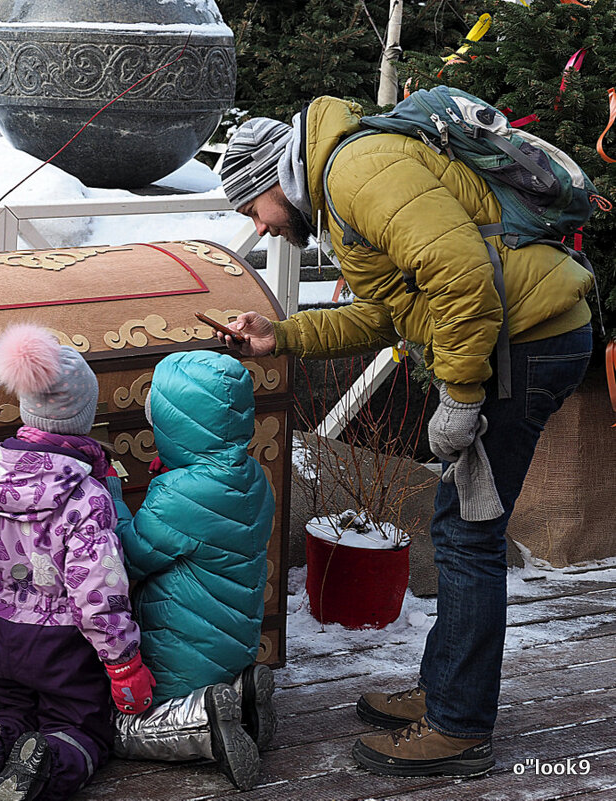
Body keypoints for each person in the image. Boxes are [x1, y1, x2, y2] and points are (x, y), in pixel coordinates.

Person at [217, 99, 594, 777]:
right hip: (515, 338)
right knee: (459, 528)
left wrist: (460, 394)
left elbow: (463, 276)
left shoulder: (356, 171)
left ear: (273, 178)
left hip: (525, 342)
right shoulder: (343, 187)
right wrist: (284, 334)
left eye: (252, 209)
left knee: (470, 535)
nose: (261, 226)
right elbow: (382, 313)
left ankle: (458, 726)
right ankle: (445, 688)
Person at [0, 322, 156, 801]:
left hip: (1, 633)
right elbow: (96, 590)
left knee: (12, 709)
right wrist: (123, 665)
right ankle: (47, 766)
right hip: (64, 643)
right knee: (80, 725)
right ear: (84, 416)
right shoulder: (87, 495)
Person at [105, 350, 278, 791]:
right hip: (232, 642)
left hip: (179, 654)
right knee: (215, 678)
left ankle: (204, 724)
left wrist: (113, 496)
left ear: (173, 423)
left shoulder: (180, 494)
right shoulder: (253, 477)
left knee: (119, 730)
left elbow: (130, 556)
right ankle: (242, 695)